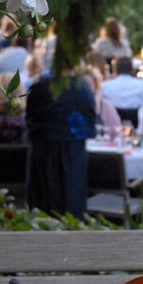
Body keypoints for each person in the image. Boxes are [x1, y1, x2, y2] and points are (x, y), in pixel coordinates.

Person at [25, 73, 97, 219]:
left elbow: (30, 121)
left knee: (42, 208)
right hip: (73, 154)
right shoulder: (81, 89)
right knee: (72, 205)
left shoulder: (42, 89)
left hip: (43, 152)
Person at [78, 65, 121, 133]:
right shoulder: (70, 106)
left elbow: (116, 131)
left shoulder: (105, 106)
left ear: (96, 86)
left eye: (89, 84)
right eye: (83, 84)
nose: (85, 88)